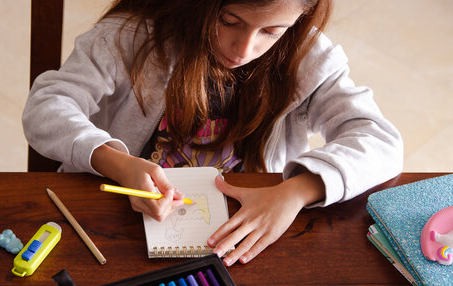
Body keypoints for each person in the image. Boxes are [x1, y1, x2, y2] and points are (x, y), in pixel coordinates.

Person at [23, 0, 403, 266]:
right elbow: (46, 106)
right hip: (120, 218)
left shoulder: (306, 56)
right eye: (229, 20)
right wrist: (117, 163)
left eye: (271, 30)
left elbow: (380, 142)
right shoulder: (132, 37)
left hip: (242, 229)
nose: (243, 49)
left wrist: (296, 192)